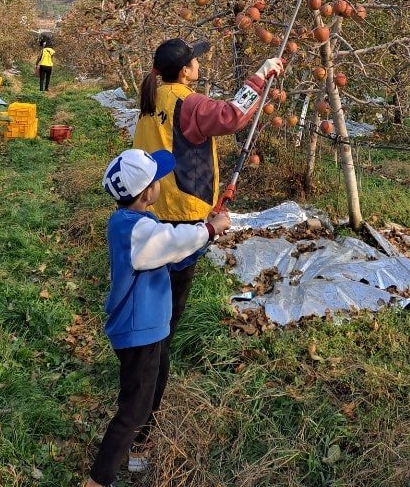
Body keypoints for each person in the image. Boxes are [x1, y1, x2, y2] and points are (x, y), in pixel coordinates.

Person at [84, 147, 230, 487]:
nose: (163, 183)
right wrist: (207, 231)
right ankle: (99, 478)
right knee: (134, 407)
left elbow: (171, 254)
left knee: (153, 388)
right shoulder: (131, 228)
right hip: (138, 332)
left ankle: (139, 449)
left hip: (151, 330)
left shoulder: (141, 224)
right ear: (146, 192)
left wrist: (206, 234)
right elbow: (169, 241)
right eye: (158, 179)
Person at [132, 38, 283, 334]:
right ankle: (156, 350)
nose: (199, 64)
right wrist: (261, 75)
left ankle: (146, 337)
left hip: (149, 204)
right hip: (181, 209)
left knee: (153, 282)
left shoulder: (151, 99)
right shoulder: (186, 102)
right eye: (195, 61)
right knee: (173, 297)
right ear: (185, 71)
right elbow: (230, 116)